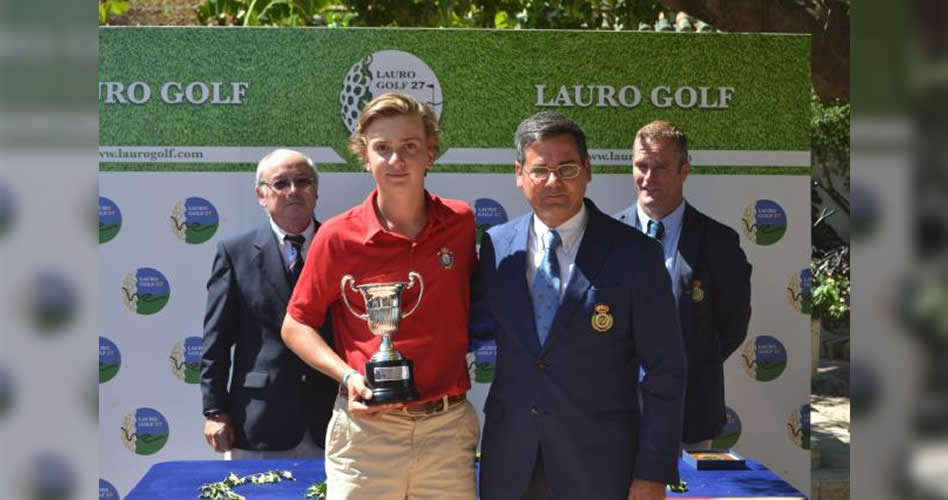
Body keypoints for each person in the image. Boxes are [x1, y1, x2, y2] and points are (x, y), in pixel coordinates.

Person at [473, 111, 686, 500]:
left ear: (588, 171)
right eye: (540, 170)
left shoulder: (636, 254)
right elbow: (466, 329)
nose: (554, 181)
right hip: (511, 464)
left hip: (602, 467)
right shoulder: (495, 246)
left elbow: (666, 370)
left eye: (567, 168)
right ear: (519, 174)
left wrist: (653, 473)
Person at [281, 93, 479, 500]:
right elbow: (296, 324)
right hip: (366, 434)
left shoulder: (460, 223)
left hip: (446, 428)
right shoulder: (337, 236)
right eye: (382, 148)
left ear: (431, 153)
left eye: (409, 146)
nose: (396, 160)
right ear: (364, 157)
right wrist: (348, 376)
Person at [614, 120, 752, 450]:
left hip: (690, 414)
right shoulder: (606, 237)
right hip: (615, 415)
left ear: (684, 170)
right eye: (641, 166)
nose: (648, 178)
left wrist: (685, 368)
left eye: (660, 167)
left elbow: (731, 327)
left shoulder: (719, 243)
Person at [200, 149, 337, 459]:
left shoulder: (341, 247)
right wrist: (215, 410)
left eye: (303, 181)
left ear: (315, 191)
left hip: (334, 419)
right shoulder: (235, 254)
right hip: (259, 420)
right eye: (281, 183)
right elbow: (216, 341)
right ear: (261, 194)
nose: (293, 191)